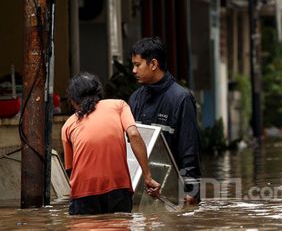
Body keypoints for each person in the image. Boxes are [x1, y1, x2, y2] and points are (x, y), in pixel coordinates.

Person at [61, 72, 160, 215]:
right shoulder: (118, 105)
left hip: (84, 193)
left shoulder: (68, 125)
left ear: (74, 100)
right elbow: (134, 134)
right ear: (99, 92)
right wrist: (147, 177)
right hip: (118, 188)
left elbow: (70, 169)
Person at [128, 37, 201, 205]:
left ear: (153, 64)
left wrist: (191, 192)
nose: (133, 70)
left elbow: (189, 148)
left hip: (172, 191)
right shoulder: (135, 99)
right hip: (141, 187)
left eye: (137, 65)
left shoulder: (181, 98)